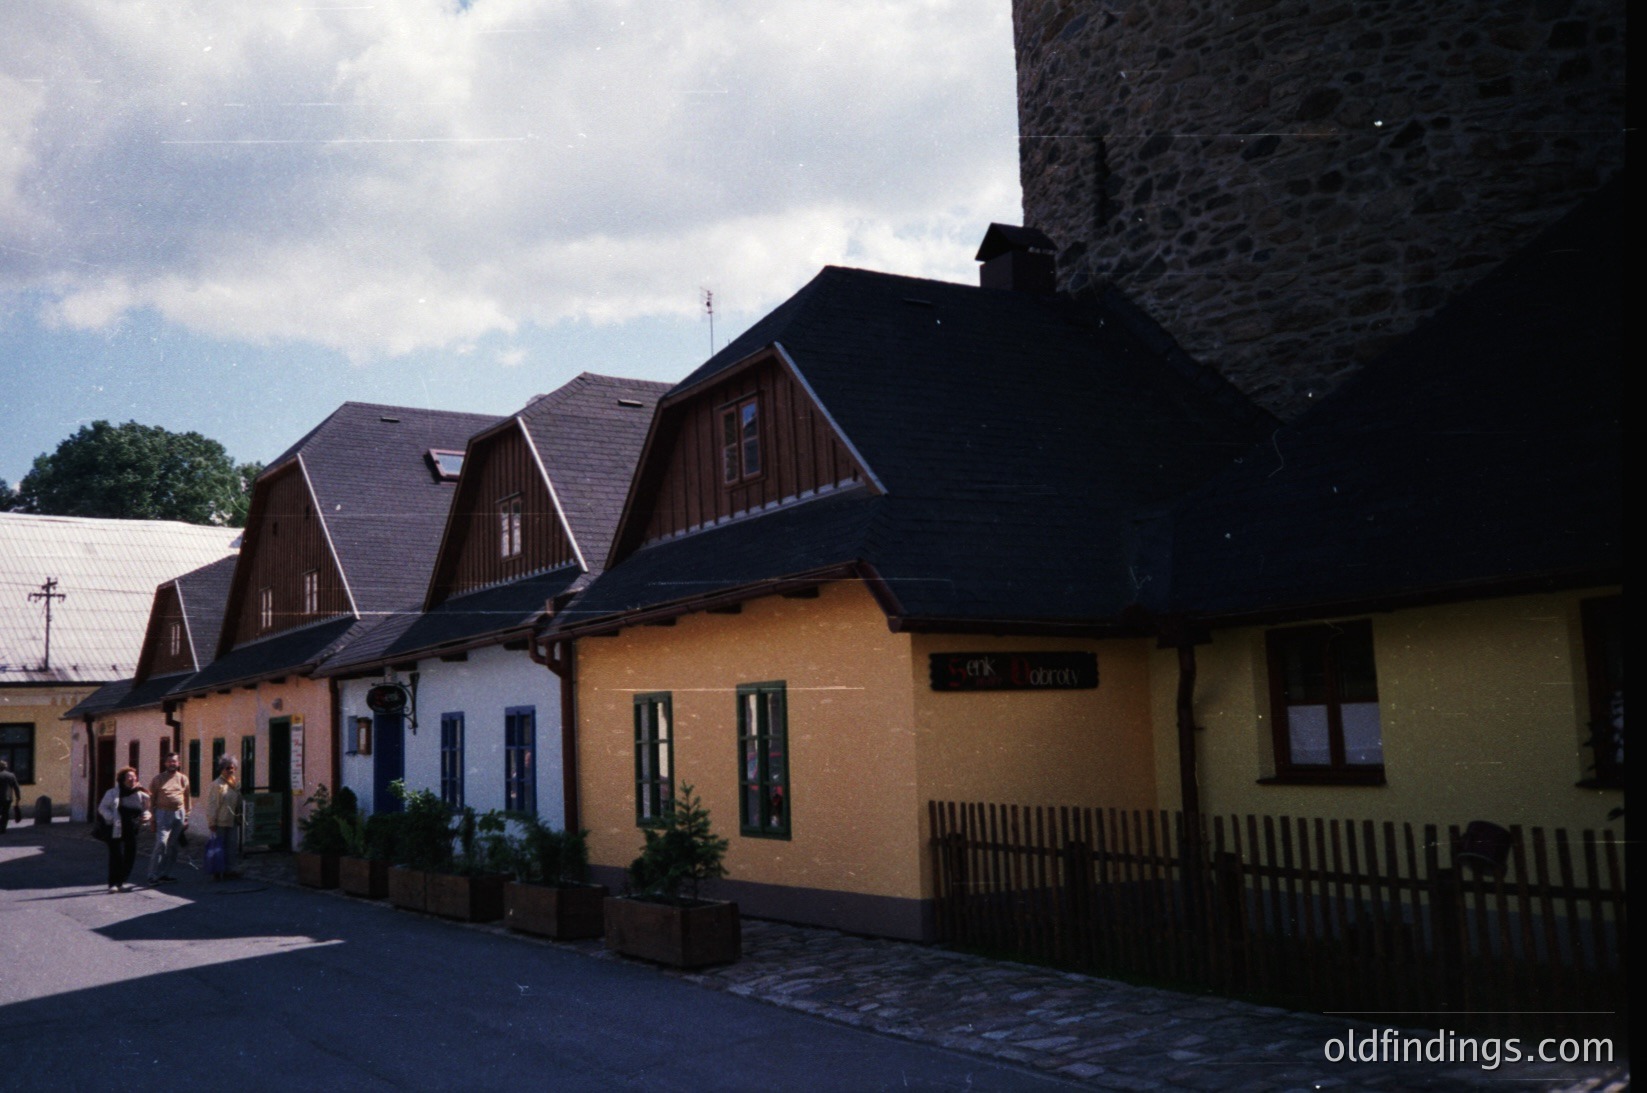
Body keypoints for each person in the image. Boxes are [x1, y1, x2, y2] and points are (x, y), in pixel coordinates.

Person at [97, 766, 151, 893]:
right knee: (116, 856)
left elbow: (147, 809)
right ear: (122, 780)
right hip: (115, 828)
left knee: (130, 855)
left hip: (132, 829)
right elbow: (102, 808)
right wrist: (112, 817)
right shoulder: (112, 793)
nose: (132, 779)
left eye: (134, 776)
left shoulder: (140, 794)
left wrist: (147, 816)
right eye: (129, 777)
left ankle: (121, 881)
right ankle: (113, 884)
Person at [146, 751, 191, 884]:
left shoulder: (183, 778)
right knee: (161, 843)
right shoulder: (158, 779)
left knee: (173, 846)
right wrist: (152, 818)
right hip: (163, 813)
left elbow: (187, 797)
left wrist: (186, 817)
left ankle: (166, 873)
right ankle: (152, 875)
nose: (172, 764)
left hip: (179, 813)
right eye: (169, 761)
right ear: (165, 763)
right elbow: (151, 799)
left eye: (174, 761)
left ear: (178, 763)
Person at [205, 755, 243, 880]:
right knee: (219, 846)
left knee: (231, 846)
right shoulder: (217, 785)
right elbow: (212, 805)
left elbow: (238, 801)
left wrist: (239, 815)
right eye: (228, 768)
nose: (231, 770)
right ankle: (217, 871)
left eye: (233, 768)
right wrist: (212, 822)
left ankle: (230, 870)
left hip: (232, 820)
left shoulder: (235, 784)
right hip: (220, 821)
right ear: (222, 769)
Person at [0, 760, 21, 836]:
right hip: (7, 798)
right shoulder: (11, 775)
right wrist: (18, 797)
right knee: (5, 813)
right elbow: (16, 787)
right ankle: (3, 828)